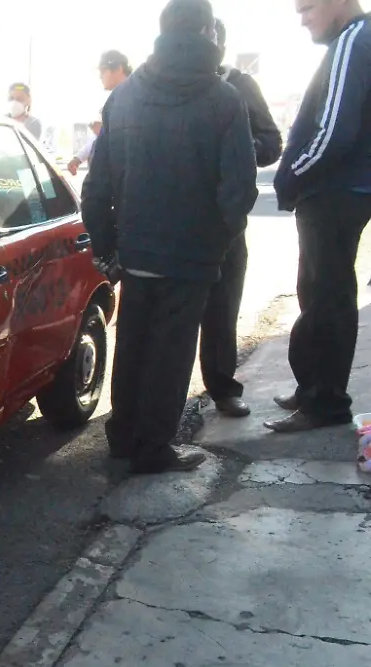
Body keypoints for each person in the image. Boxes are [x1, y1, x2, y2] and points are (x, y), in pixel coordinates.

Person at [82, 0, 257, 473]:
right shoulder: (224, 100)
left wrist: (107, 247)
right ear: (207, 32)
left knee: (135, 342)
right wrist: (218, 241)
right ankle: (153, 448)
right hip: (192, 256)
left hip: (136, 249)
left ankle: (123, 436)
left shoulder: (125, 97)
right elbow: (239, 191)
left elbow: (95, 187)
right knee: (172, 352)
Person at [268, 0, 371, 432]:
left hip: (334, 191)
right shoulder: (353, 40)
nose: (302, 17)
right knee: (317, 290)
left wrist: (292, 176)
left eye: (307, 7)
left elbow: (334, 130)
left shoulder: (353, 41)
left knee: (327, 296)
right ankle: (313, 388)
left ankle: (325, 402)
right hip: (338, 190)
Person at [199, 17, 285, 418]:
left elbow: (272, 143)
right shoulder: (160, 86)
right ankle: (153, 400)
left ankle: (221, 387)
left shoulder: (239, 85)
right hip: (175, 220)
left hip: (226, 221)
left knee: (222, 307)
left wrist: (237, 146)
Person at [67, 50, 132, 176]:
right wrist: (79, 157)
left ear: (118, 69)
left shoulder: (137, 98)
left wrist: (110, 132)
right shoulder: (113, 101)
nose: (100, 76)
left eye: (103, 71)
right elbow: (99, 138)